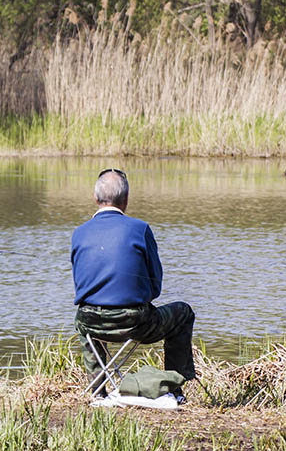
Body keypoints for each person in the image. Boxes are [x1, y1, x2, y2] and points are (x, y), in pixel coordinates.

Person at [70, 168, 195, 396]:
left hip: (92, 323)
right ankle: (175, 387)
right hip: (136, 324)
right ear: (126, 200)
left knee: (84, 316)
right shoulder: (140, 229)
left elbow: (80, 286)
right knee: (183, 313)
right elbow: (155, 285)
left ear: (95, 198)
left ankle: (97, 392)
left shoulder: (79, 233)